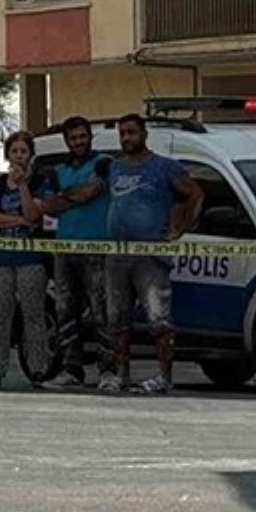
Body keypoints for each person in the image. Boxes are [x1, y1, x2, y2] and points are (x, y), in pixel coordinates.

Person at [103, 113, 203, 395]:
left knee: (159, 318)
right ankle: (121, 375)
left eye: (131, 132)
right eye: (122, 133)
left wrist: (178, 228)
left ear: (144, 134)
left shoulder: (164, 167)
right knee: (117, 319)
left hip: (150, 255)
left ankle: (164, 377)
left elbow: (195, 193)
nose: (126, 138)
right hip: (116, 254)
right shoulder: (115, 167)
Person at [39, 116, 113, 389]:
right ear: (66, 141)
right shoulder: (58, 169)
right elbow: (47, 205)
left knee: (101, 311)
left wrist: (65, 196)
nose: (79, 141)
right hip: (64, 247)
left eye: (82, 136)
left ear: (90, 136)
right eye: (73, 138)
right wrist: (74, 195)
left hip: (97, 247)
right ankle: (72, 369)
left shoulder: (104, 163)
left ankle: (108, 371)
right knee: (64, 310)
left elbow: (91, 192)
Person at [0, 132, 53, 389]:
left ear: (30, 155)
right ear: (7, 155)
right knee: (1, 314)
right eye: (15, 151)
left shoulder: (40, 182)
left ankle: (37, 367)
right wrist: (18, 220)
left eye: (24, 151)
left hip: (31, 257)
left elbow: (34, 214)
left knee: (33, 314)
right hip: (1, 257)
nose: (19, 156)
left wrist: (23, 185)